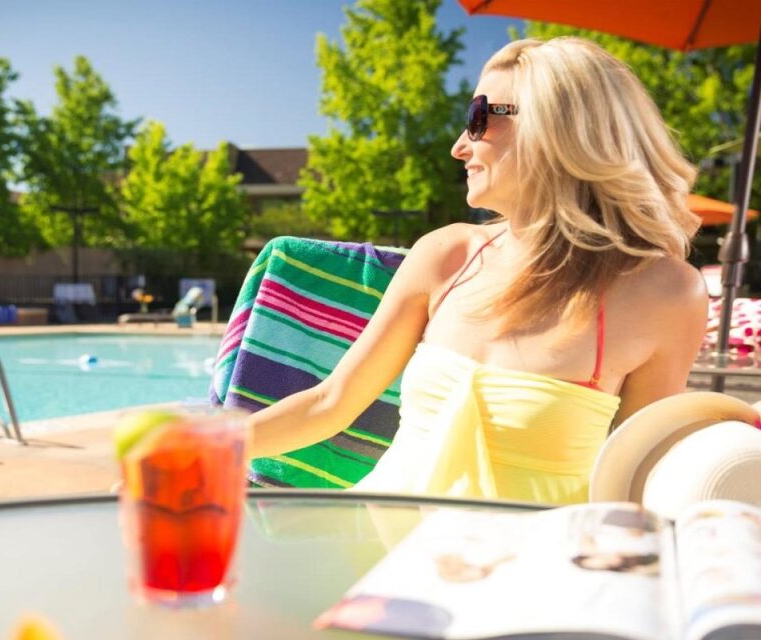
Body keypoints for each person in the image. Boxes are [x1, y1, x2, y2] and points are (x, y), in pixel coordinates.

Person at [245, 37, 708, 504]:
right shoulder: (447, 255)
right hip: (379, 535)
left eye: (477, 118)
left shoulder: (665, 293)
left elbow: (641, 477)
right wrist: (207, 446)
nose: (458, 147)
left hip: (530, 549)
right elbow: (328, 405)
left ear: (554, 124)